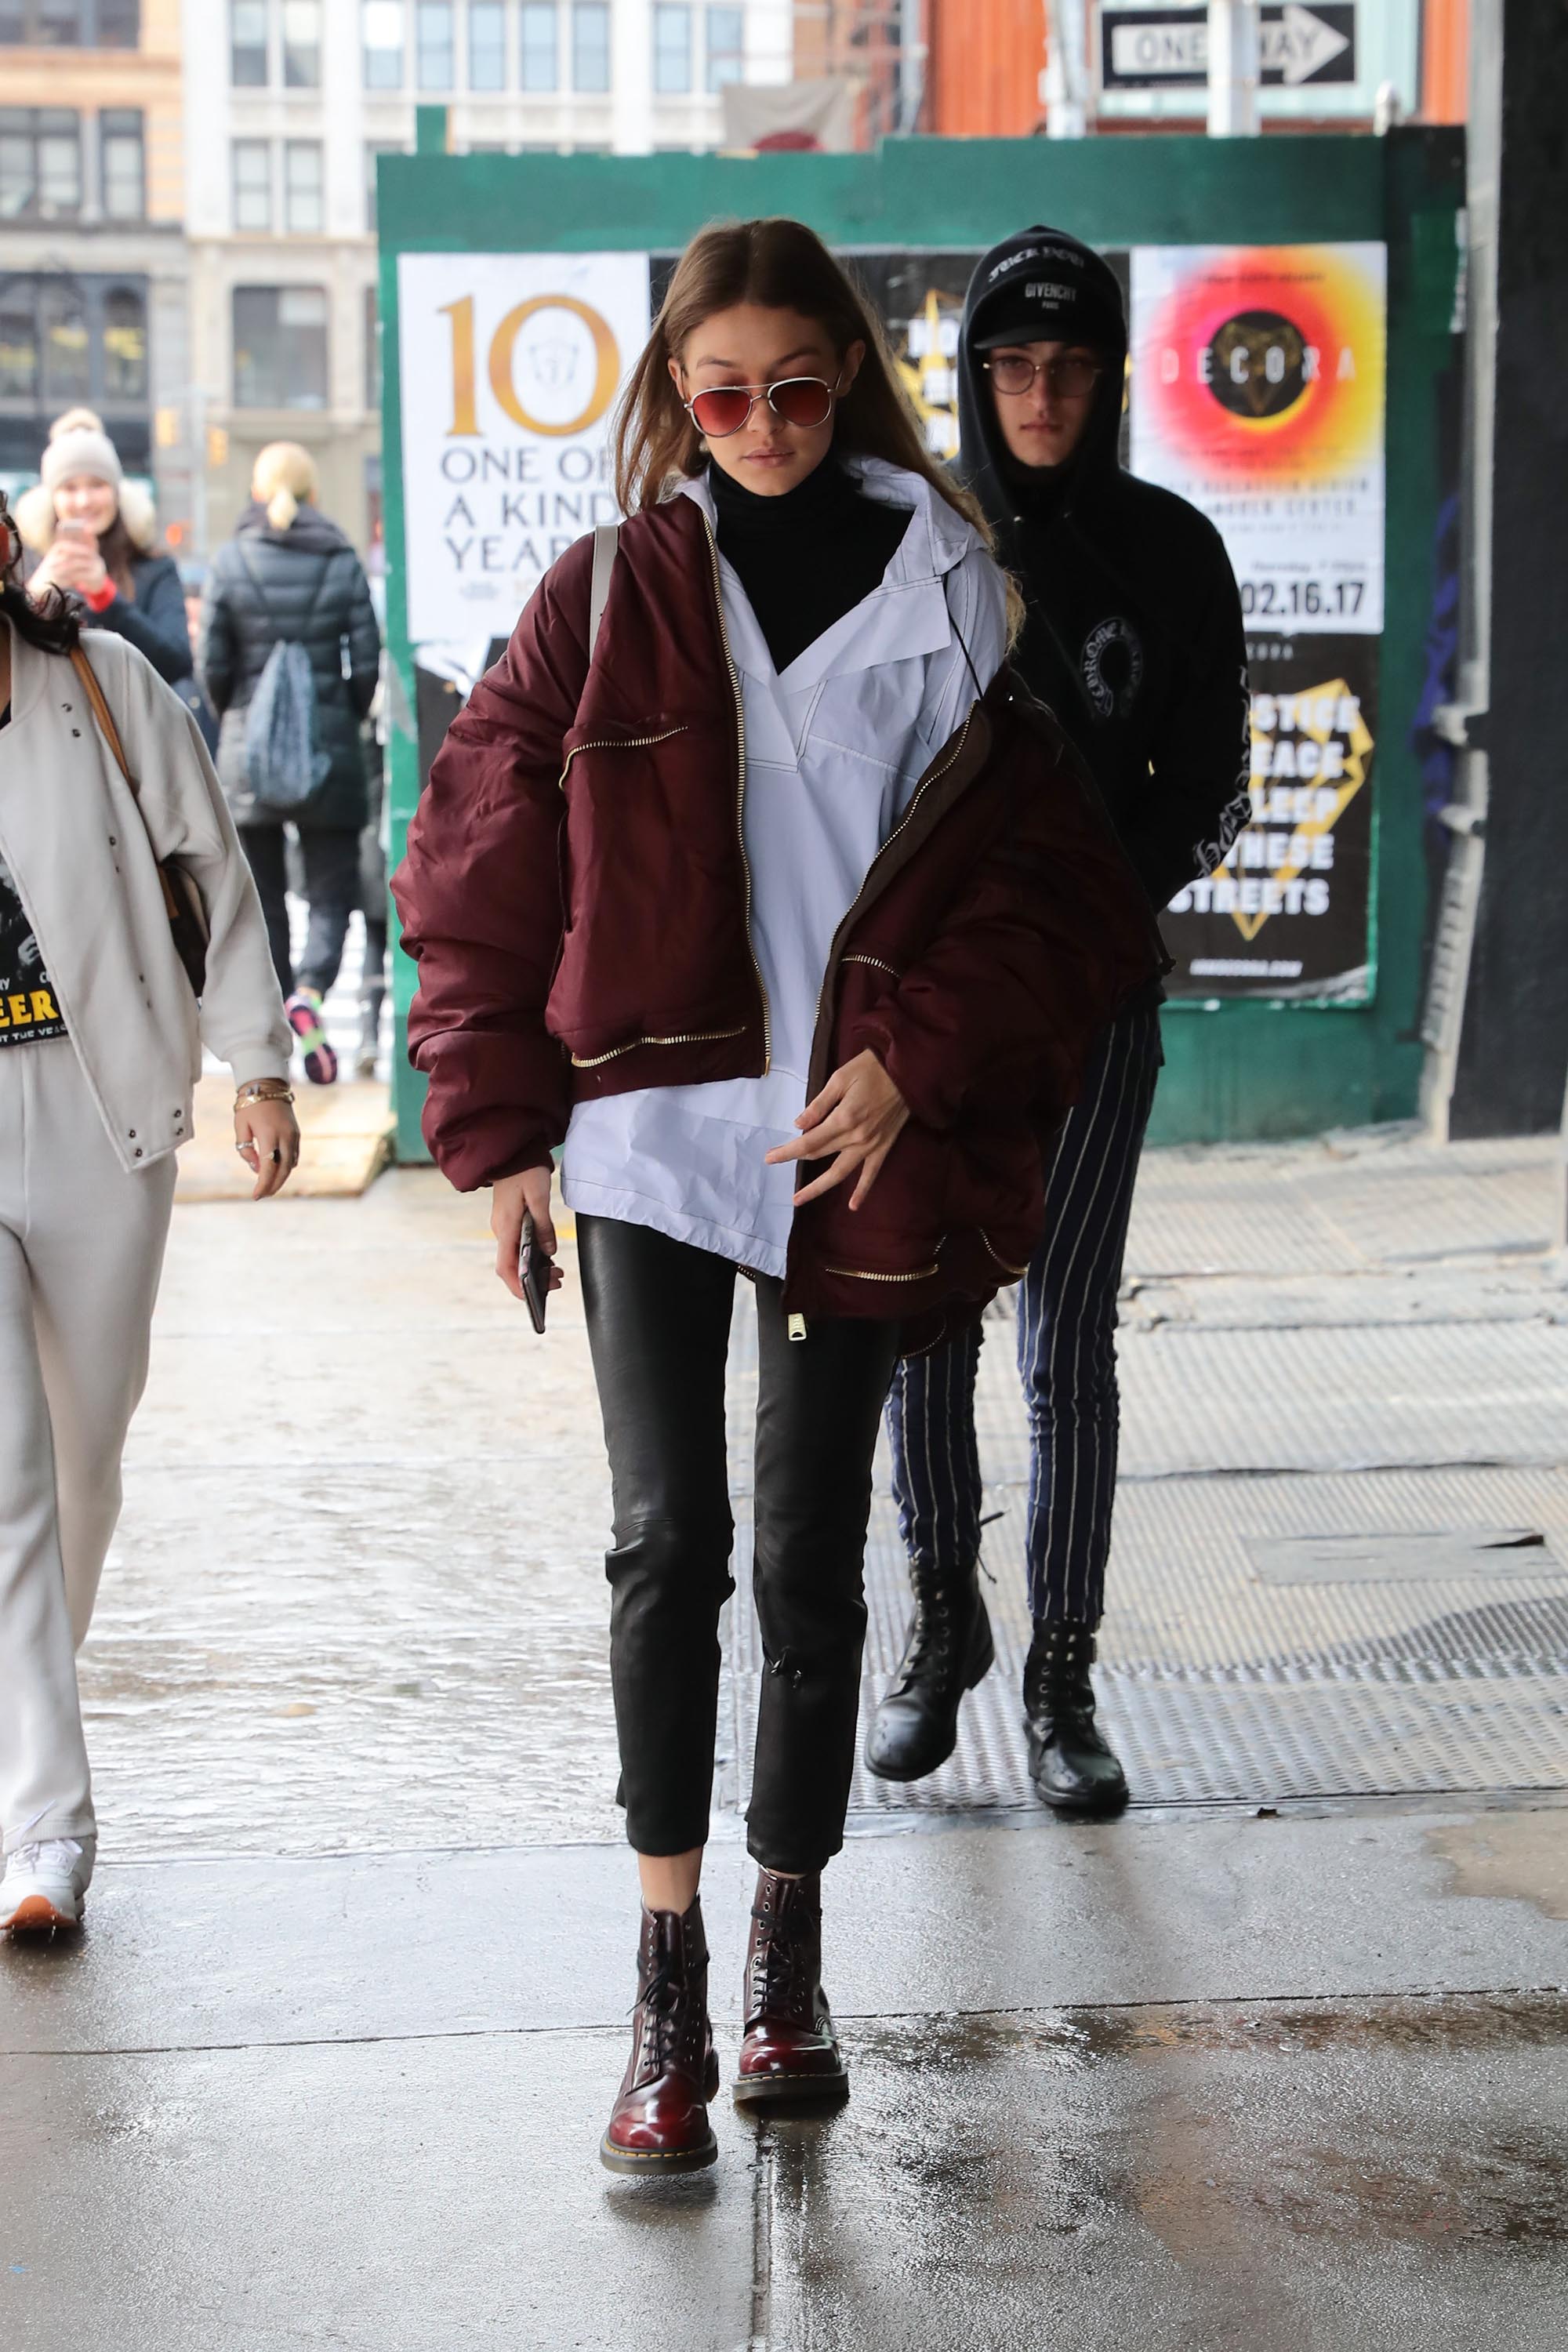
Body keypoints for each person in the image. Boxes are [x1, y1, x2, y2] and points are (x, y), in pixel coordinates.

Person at [393, 217, 1161, 2177]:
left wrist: (915, 1060)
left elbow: (1052, 895)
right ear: (675, 393)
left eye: (797, 387)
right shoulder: (605, 593)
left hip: (852, 1144)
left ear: (848, 376)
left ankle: (784, 1959)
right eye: (721, 392)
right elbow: (478, 855)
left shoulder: (951, 591)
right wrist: (498, 1131)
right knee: (669, 1546)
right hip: (645, 1136)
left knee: (815, 1562)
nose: (760, 425)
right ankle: (662, 1980)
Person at [867, 224, 1250, 1812]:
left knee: (1066, 1336)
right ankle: (942, 1620)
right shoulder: (917, 545)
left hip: (1093, 1005)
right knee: (921, 1323)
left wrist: (1082, 925)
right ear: (973, 376)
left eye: (1073, 366)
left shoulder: (1172, 552)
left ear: (1110, 378)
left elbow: (1211, 786)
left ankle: (1062, 1677)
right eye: (1014, 366)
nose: (1041, 395)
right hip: (932, 1025)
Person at [0, 491, 298, 1937]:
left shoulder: (101, 683)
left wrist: (262, 1070)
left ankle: (19, 1719)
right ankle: (45, 1827)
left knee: (83, 1459)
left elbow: (216, 879)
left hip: (99, 1101)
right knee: (6, 1474)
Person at [198, 443, 381, 1085]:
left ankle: (280, 1013)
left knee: (264, 897)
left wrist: (239, 718)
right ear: (313, 493)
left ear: (256, 490)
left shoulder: (231, 560)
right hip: (330, 752)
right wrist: (340, 718)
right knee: (332, 893)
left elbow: (213, 665)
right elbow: (367, 661)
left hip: (248, 758)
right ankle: (312, 990)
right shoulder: (341, 557)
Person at [16, 408, 193, 689]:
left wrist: (105, 597)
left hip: (127, 715)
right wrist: (34, 598)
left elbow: (176, 664)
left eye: (97, 485)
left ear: (117, 493)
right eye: (69, 488)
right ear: (51, 498)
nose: (84, 501)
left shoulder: (155, 569)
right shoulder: (24, 566)